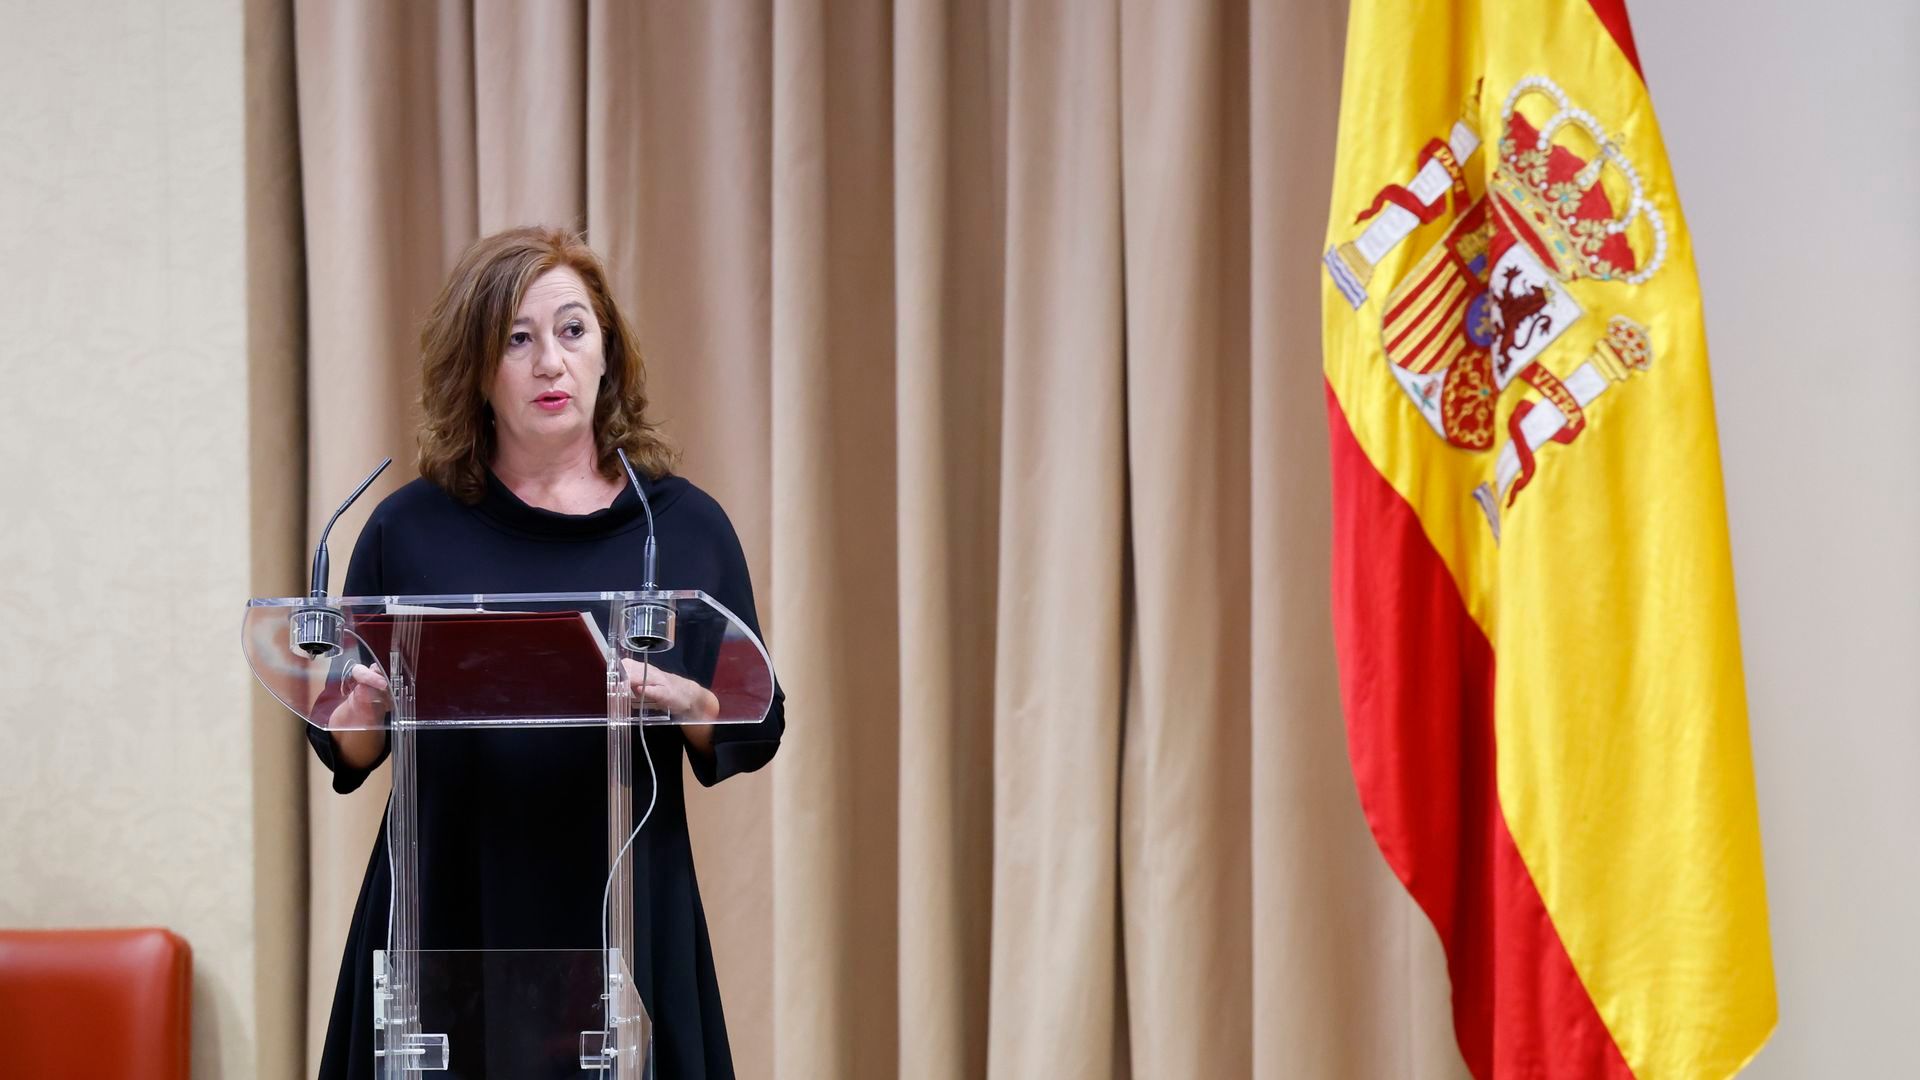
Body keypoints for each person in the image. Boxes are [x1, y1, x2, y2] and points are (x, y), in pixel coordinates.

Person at [308, 226, 784, 1079]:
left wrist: (692, 705)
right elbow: (349, 748)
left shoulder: (678, 527)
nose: (550, 362)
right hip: (443, 907)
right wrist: (359, 714)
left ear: (608, 355)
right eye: (516, 340)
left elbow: (751, 726)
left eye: (572, 331)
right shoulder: (408, 528)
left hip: (623, 910)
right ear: (478, 371)